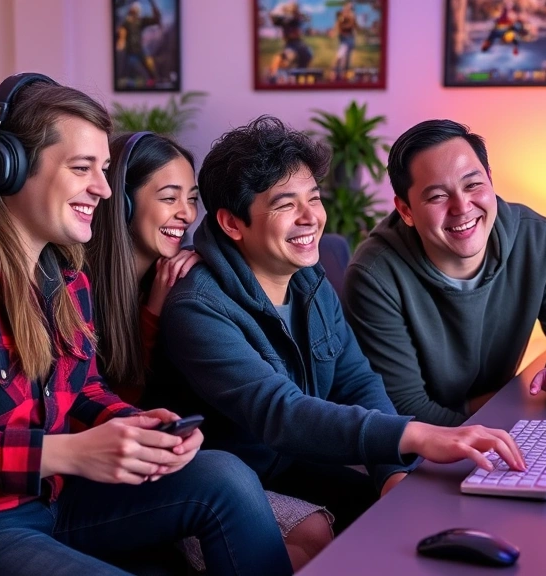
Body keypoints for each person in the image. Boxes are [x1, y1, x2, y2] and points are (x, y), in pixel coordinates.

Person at [0, 74, 291, 576]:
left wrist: (134, 427)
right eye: (81, 168)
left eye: (104, 169)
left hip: (45, 502)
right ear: (6, 168)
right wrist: (62, 454)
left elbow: (83, 389)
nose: (102, 188)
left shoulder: (65, 276)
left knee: (225, 476)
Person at [156, 116, 527, 534]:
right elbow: (281, 413)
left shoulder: (308, 279)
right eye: (285, 205)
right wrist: (416, 435)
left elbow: (356, 382)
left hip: (294, 465)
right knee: (319, 534)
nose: (310, 217)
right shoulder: (198, 307)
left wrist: (391, 473)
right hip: (221, 487)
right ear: (232, 223)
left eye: (313, 198)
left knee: (427, 508)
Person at [85, 131, 334, 571]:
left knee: (323, 526)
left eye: (191, 199)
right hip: (115, 468)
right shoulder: (82, 287)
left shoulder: (181, 274)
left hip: (179, 457)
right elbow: (105, 402)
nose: (186, 214)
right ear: (120, 203)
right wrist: (152, 314)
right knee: (308, 536)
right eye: (169, 198)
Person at [342, 119, 546, 427]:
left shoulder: (537, 239)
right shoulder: (374, 275)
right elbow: (405, 411)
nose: (462, 207)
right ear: (406, 210)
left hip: (495, 419)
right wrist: (501, 424)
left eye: (473, 185)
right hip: (431, 443)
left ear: (490, 179)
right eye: (437, 196)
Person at [332, 2, 357, 79]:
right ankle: (335, 73)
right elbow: (338, 24)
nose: (346, 9)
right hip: (344, 39)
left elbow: (352, 26)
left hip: (349, 39)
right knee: (341, 57)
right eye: (346, 7)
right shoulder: (342, 16)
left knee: (345, 58)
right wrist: (335, 31)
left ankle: (341, 74)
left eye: (349, 8)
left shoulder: (351, 17)